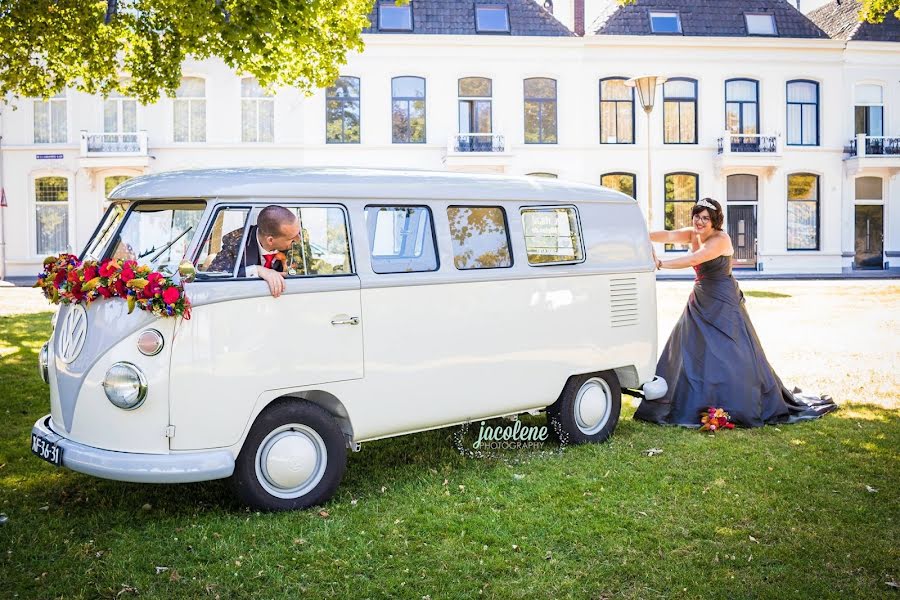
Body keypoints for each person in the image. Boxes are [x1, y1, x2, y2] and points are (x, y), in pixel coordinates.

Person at [635, 197, 837, 427]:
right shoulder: (693, 233)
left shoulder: (721, 240)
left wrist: (660, 264)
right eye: (697, 216)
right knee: (690, 346)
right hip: (700, 297)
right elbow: (669, 235)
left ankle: (736, 402)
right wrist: (641, 232)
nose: (700, 222)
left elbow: (695, 258)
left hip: (722, 299)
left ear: (715, 221)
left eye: (705, 218)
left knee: (729, 351)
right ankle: (693, 400)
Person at [208, 205, 301, 298]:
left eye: (298, 234)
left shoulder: (296, 243)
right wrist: (257, 270)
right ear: (270, 240)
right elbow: (213, 277)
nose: (298, 240)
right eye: (292, 238)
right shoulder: (236, 242)